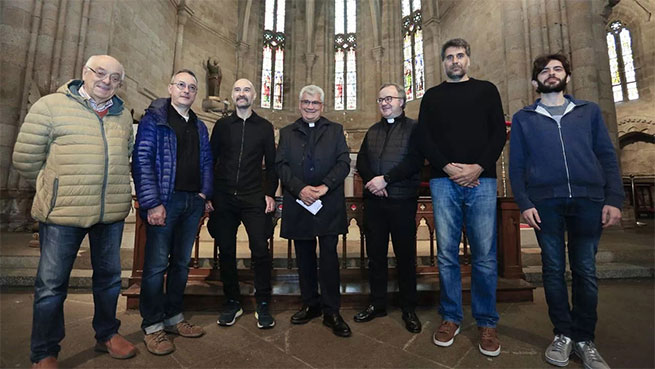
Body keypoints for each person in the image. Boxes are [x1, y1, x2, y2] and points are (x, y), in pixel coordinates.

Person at [12, 55, 137, 368]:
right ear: (85, 73)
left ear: (120, 83)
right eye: (100, 73)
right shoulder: (51, 106)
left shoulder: (122, 115)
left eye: (115, 78)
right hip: (62, 213)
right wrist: (53, 185)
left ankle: (107, 334)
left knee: (109, 279)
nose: (106, 81)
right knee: (51, 286)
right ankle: (44, 352)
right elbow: (26, 158)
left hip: (109, 213)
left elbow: (127, 154)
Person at [509, 54, 623, 369]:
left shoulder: (588, 112)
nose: (551, 73)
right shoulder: (524, 118)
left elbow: (606, 155)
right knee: (553, 270)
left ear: (567, 76)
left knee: (585, 270)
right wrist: (525, 203)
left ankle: (585, 339)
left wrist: (613, 198)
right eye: (544, 70)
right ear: (535, 82)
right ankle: (563, 334)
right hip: (545, 203)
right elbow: (516, 165)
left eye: (558, 69)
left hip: (588, 200)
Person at [417, 38, 506, 356]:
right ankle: (451, 317)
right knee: (447, 256)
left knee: (484, 256)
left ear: (468, 59)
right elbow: (424, 137)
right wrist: (447, 167)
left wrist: (478, 167)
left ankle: (486, 321)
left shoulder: (487, 90)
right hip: (443, 182)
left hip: (482, 182)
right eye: (450, 57)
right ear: (443, 62)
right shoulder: (432, 96)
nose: (455, 61)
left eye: (460, 55)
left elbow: (498, 133)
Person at [132, 69, 213, 356]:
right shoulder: (154, 119)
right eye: (181, 85)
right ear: (170, 88)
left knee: (180, 264)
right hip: (165, 201)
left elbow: (206, 160)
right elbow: (141, 160)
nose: (186, 90)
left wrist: (204, 194)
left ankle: (173, 317)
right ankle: (153, 326)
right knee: (155, 267)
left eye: (192, 87)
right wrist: (152, 202)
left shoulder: (199, 125)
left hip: (192, 202)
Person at [276, 85, 352, 337]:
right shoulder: (287, 132)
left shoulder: (335, 130)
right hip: (300, 202)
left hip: (327, 202)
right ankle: (310, 304)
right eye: (306, 102)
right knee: (304, 256)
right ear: (300, 104)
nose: (310, 107)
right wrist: (300, 189)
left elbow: (343, 163)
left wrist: (324, 187)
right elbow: (281, 165)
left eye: (315, 103)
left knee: (329, 257)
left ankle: (332, 310)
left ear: (322, 106)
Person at [208, 78, 278, 329]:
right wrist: (209, 194)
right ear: (232, 95)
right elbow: (210, 160)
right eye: (237, 89)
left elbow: (272, 164)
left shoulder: (265, 127)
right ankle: (232, 301)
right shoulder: (222, 125)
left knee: (260, 249)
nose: (241, 94)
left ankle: (263, 302)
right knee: (226, 250)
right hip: (224, 196)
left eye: (246, 90)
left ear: (254, 95)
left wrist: (269, 193)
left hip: (253, 196)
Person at [353, 83, 423, 333]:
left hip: (402, 202)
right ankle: (377, 304)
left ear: (402, 102)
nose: (384, 103)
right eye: (380, 99)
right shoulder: (372, 130)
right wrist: (374, 182)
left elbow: (415, 161)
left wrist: (387, 179)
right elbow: (362, 160)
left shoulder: (414, 128)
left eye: (389, 98)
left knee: (405, 257)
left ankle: (408, 308)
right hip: (375, 203)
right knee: (376, 257)